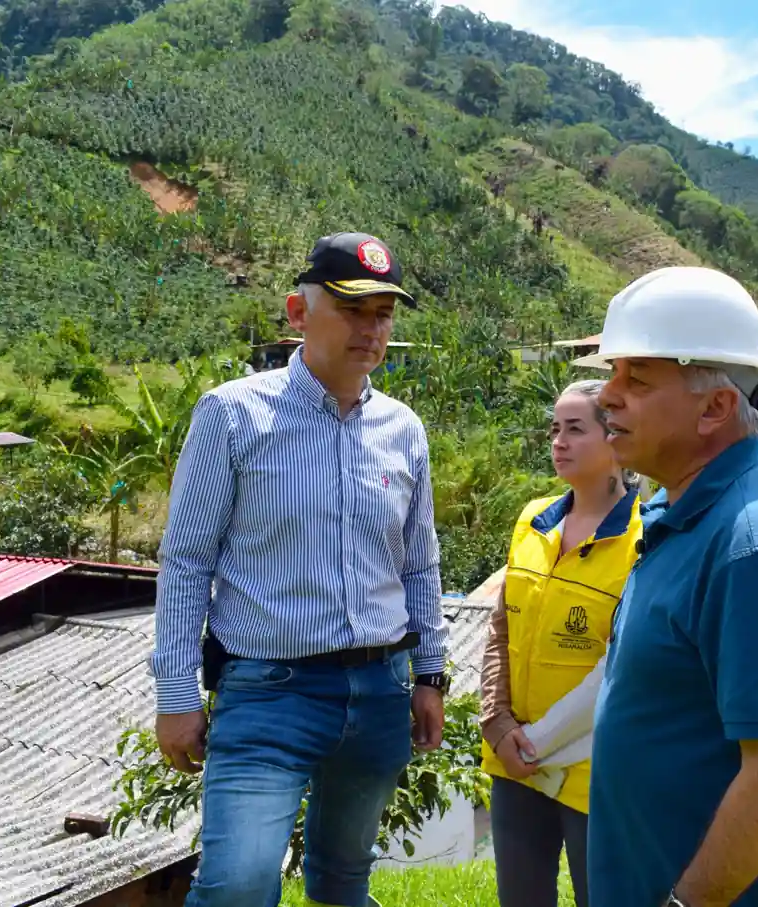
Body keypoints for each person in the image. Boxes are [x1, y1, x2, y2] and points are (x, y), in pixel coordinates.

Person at [150, 231, 451, 907]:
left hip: (379, 690)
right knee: (238, 884)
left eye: (382, 313)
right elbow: (187, 560)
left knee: (343, 875)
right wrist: (175, 693)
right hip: (269, 690)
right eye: (351, 309)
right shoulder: (233, 414)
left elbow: (419, 564)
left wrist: (429, 673)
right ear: (296, 311)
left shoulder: (404, 429)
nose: (370, 329)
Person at [576, 266, 758, 907]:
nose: (607, 396)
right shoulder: (681, 514)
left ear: (717, 407)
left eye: (636, 378)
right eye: (612, 373)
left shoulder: (751, 548)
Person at [479, 379, 643, 907]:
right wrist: (498, 722)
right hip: (515, 759)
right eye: (554, 428)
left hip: (597, 769)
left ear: (615, 439)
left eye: (576, 429)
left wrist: (545, 738)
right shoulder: (533, 519)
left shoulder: (646, 537)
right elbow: (501, 627)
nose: (559, 441)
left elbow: (628, 663)